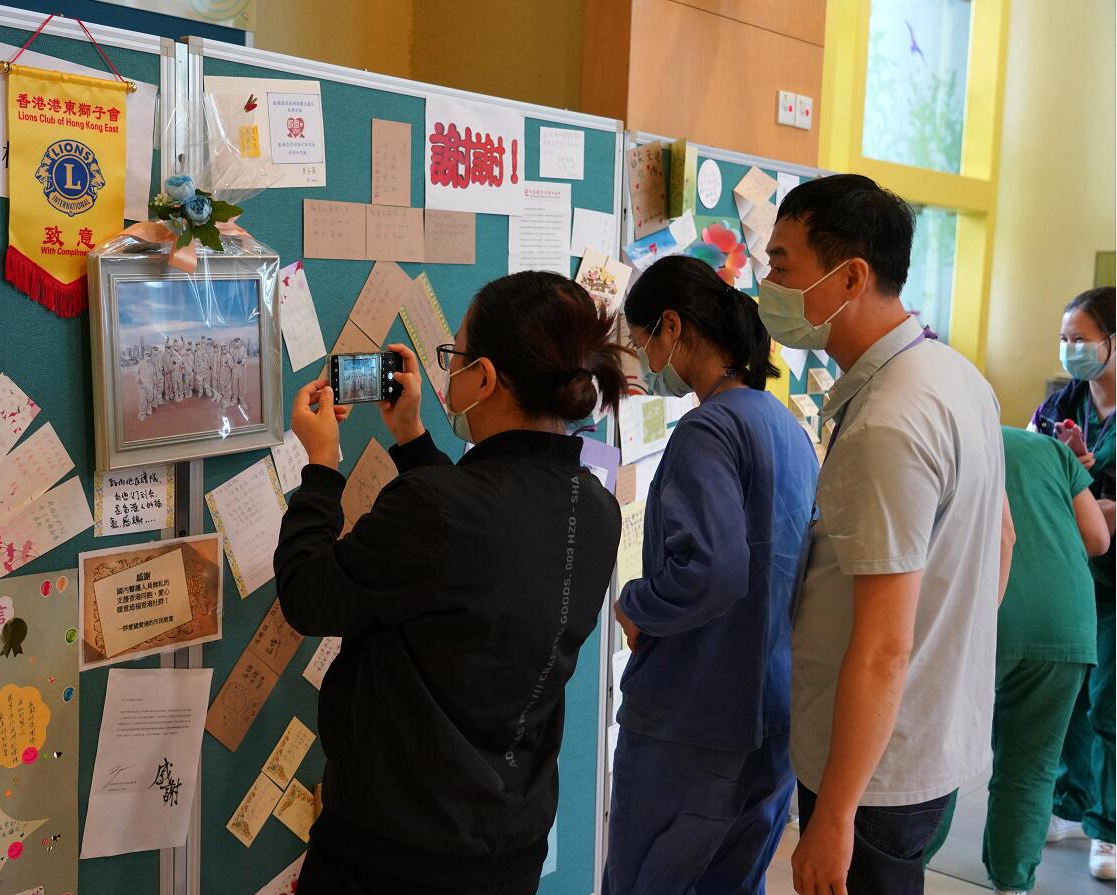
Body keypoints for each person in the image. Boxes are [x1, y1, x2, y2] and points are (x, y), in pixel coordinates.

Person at [274, 271, 627, 894]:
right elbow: (472, 547)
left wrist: (321, 468)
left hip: (392, 853)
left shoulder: (439, 508)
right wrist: (412, 439)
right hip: (508, 846)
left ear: (485, 378)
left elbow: (307, 595)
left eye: (455, 356)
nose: (447, 372)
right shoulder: (595, 507)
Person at [763, 174, 1013, 895]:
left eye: (782, 266)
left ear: (850, 276)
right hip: (924, 738)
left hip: (874, 773)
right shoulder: (955, 376)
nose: (765, 285)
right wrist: (941, 655)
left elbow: (880, 647)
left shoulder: (888, 422)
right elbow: (1000, 541)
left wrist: (834, 815)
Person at [604, 255, 819, 894]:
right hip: (772, 717)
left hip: (693, 720)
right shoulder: (785, 425)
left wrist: (636, 603)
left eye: (640, 341)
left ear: (671, 327)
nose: (641, 358)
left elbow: (715, 570)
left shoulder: (708, 429)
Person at [1031, 286, 1117, 879]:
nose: (1070, 351)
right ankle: (1065, 806)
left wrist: (1088, 497)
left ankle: (1108, 828)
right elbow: (1037, 473)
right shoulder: (1061, 403)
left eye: (1081, 340)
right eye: (1064, 340)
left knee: (1109, 702)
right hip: (1070, 572)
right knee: (1066, 694)